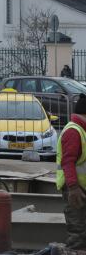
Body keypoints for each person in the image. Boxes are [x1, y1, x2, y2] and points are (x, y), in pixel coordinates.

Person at [56, 93, 86, 250]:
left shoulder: (82, 130)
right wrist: (73, 188)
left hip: (80, 189)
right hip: (75, 190)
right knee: (78, 234)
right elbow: (67, 161)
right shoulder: (74, 132)